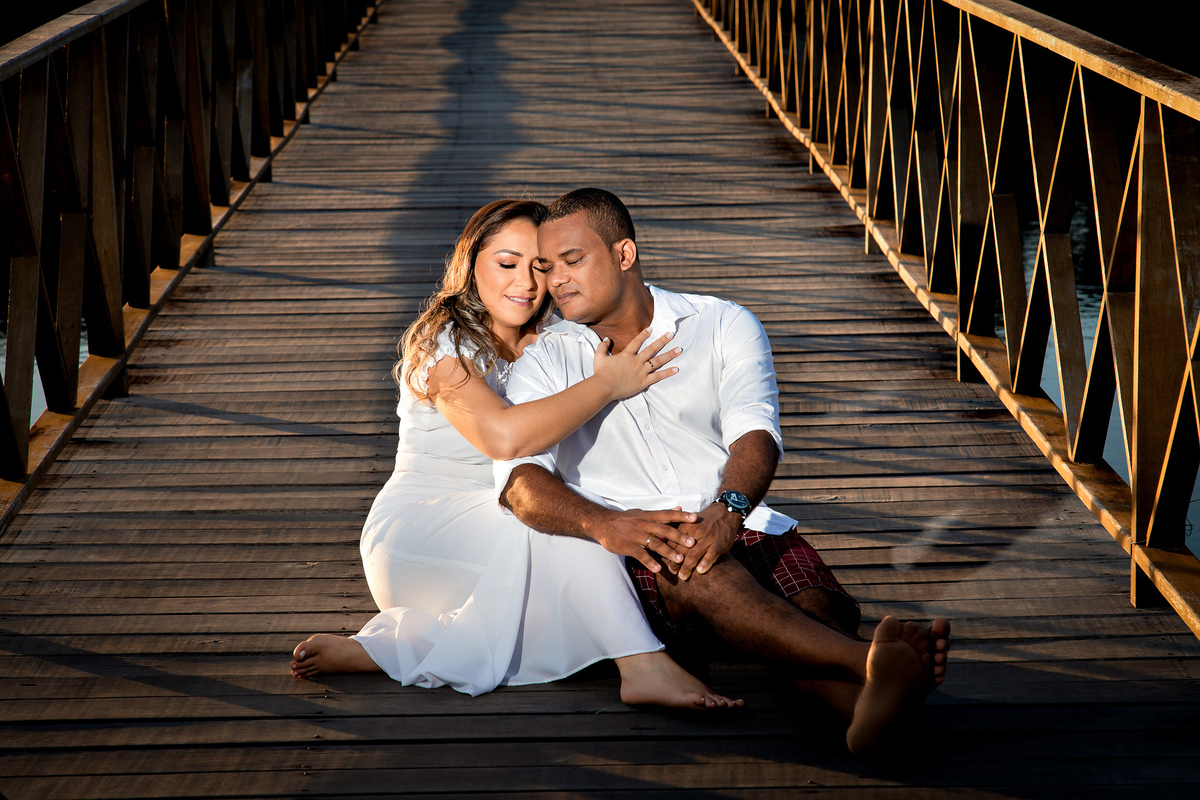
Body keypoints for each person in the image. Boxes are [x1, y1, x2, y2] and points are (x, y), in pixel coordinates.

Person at [495, 188, 951, 753]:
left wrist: (730, 510)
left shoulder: (720, 322)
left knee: (814, 612)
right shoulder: (544, 362)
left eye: (573, 260)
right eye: (547, 267)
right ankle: (879, 663)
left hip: (744, 519)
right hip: (650, 547)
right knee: (700, 565)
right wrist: (606, 525)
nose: (556, 280)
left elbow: (756, 432)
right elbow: (520, 488)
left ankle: (869, 714)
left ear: (624, 254)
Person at [290, 198, 740, 709]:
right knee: (568, 523)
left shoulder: (556, 340)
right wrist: (607, 385)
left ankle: (392, 648)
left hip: (501, 527)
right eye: (507, 264)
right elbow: (503, 439)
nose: (525, 284)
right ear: (471, 265)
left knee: (563, 570)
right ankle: (643, 666)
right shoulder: (445, 346)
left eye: (540, 268)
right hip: (422, 533)